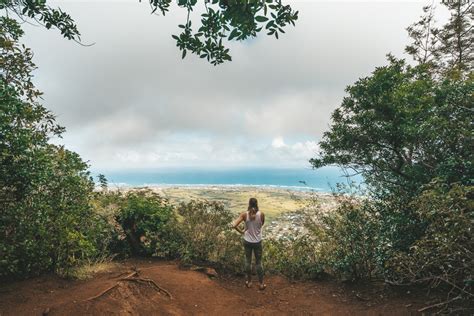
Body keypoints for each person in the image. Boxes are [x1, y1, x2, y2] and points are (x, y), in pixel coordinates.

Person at [233, 197, 266, 290]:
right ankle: (261, 284)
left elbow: (234, 225)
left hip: (247, 241)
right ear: (257, 204)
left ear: (249, 204)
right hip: (257, 242)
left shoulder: (244, 215)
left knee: (248, 261)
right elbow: (261, 224)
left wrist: (242, 232)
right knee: (259, 263)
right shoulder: (261, 214)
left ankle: (249, 282)